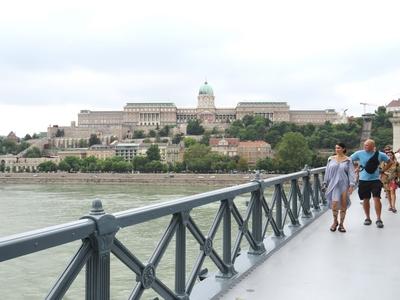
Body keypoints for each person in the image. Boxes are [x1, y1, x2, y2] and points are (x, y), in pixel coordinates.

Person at [351, 139, 389, 228]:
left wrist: (383, 170)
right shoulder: (359, 153)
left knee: (377, 198)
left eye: (367, 145)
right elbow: (349, 160)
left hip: (375, 180)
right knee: (365, 199)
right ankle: (367, 218)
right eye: (365, 145)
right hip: (363, 180)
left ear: (373, 146)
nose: (365, 146)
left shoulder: (380, 154)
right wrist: (355, 168)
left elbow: (390, 162)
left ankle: (379, 219)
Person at [323, 143, 356, 232]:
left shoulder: (348, 160)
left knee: (343, 205)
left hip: (344, 184)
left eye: (339, 148)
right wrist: (325, 182)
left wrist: (352, 185)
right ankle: (335, 222)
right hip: (333, 184)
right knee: (334, 204)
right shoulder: (330, 159)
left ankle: (341, 224)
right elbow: (327, 171)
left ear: (343, 149)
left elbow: (351, 173)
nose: (337, 149)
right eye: (336, 148)